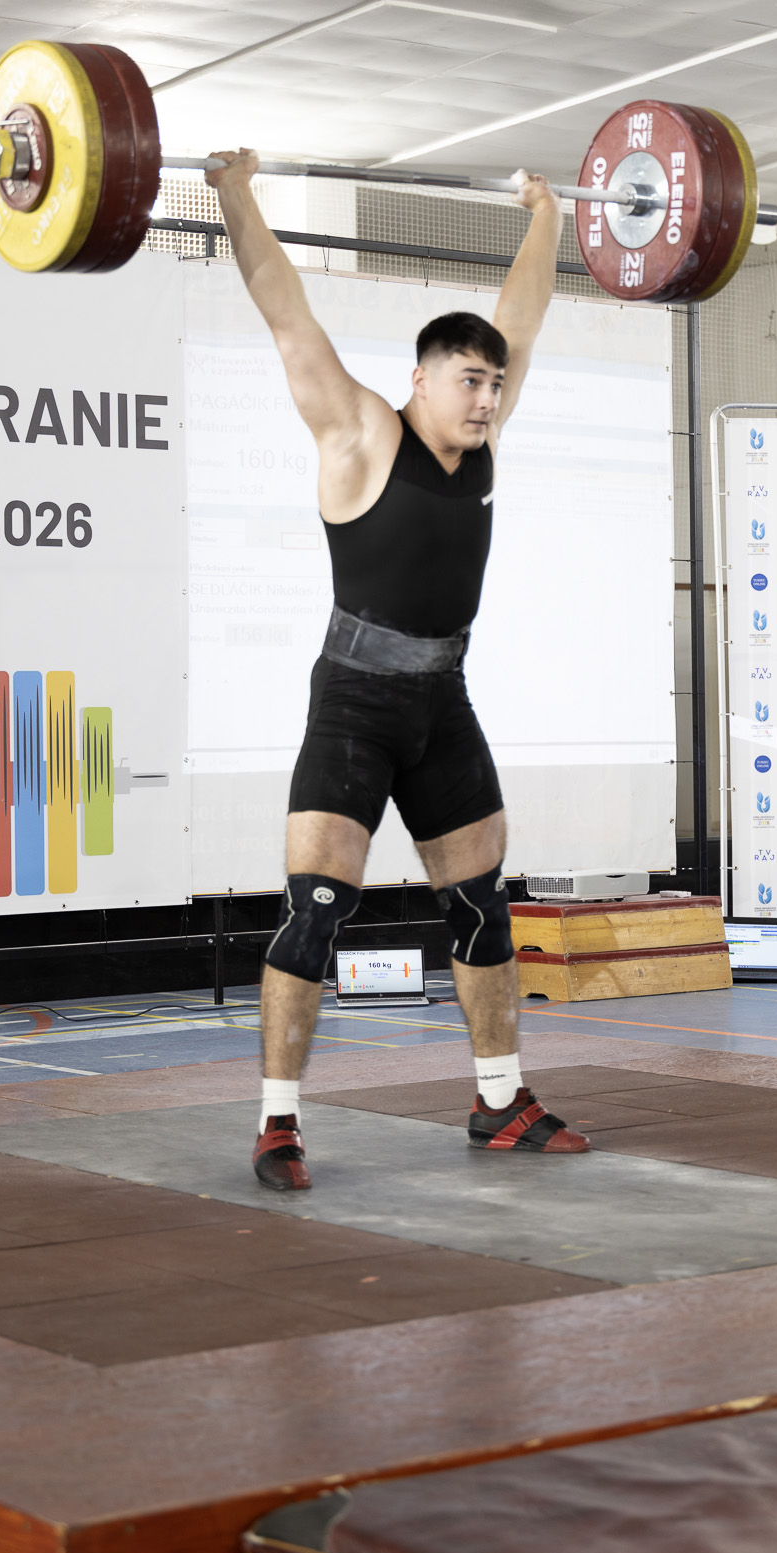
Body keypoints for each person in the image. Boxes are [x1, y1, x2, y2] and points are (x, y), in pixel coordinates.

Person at [207, 148, 590, 1189]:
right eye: (471, 381)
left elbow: (522, 315)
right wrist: (234, 194)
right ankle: (278, 1123)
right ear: (422, 379)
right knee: (316, 910)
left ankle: (500, 1101)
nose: (488, 398)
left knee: (480, 906)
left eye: (495, 383)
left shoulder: (484, 443)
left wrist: (547, 215)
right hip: (354, 703)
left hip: (442, 701)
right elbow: (286, 313)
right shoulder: (362, 432)